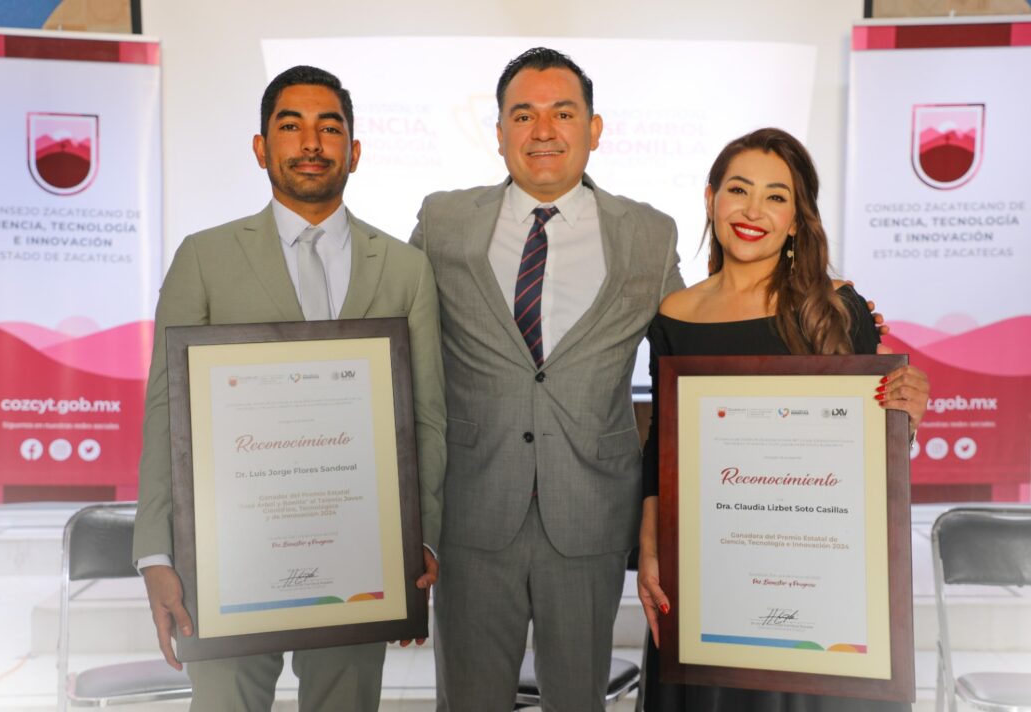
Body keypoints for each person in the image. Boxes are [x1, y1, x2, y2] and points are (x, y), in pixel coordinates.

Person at [132, 65, 445, 712]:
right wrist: (156, 554)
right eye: (290, 126)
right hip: (226, 558)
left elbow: (427, 417)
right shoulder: (203, 258)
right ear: (260, 147)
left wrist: (419, 539)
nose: (311, 143)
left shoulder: (407, 268)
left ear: (354, 151)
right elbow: (166, 412)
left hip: (361, 555)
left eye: (329, 128)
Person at [409, 47, 684, 711]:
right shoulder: (444, 222)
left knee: (579, 701)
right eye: (522, 114)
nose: (542, 130)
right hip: (472, 512)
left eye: (563, 113)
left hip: (590, 513)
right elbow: (392, 340)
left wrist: (832, 320)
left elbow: (694, 347)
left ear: (594, 129)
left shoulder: (647, 235)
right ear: (499, 131)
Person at [636, 127, 929, 712]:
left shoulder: (836, 308)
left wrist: (906, 417)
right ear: (711, 199)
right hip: (709, 574)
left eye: (776, 196)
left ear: (797, 220)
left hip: (816, 584)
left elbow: (867, 451)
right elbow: (660, 449)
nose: (753, 211)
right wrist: (649, 550)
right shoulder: (674, 314)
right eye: (738, 190)